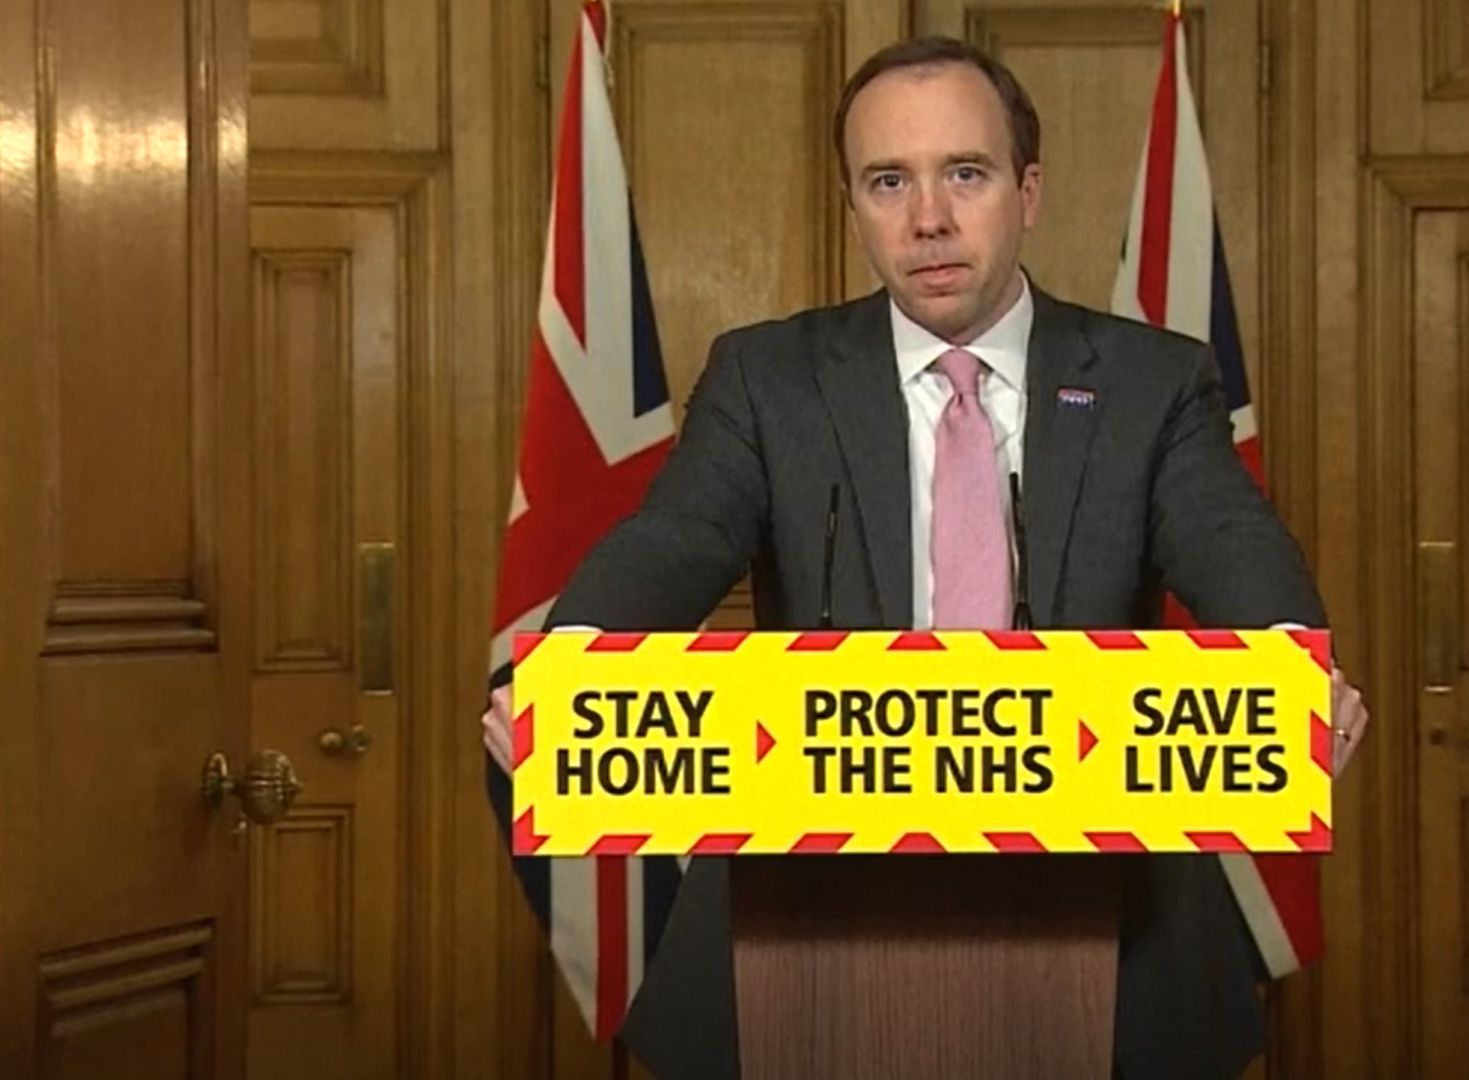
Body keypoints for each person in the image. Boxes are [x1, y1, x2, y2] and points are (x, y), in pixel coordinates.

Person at [482, 35, 1370, 1079]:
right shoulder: (770, 379)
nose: (929, 219)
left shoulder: (1149, 382)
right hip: (806, 931)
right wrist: (565, 670)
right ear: (854, 202)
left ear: (1029, 192)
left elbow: (1229, 540)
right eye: (888, 180)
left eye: (966, 173)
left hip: (1111, 928)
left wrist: (1291, 674)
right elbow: (675, 540)